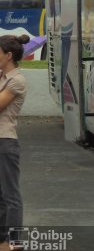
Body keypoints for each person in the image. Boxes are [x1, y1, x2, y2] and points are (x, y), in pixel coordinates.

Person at [0, 35, 29, 251]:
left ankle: (15, 242)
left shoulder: (16, 80)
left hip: (6, 142)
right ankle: (3, 239)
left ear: (8, 55)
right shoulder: (2, 77)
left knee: (11, 195)